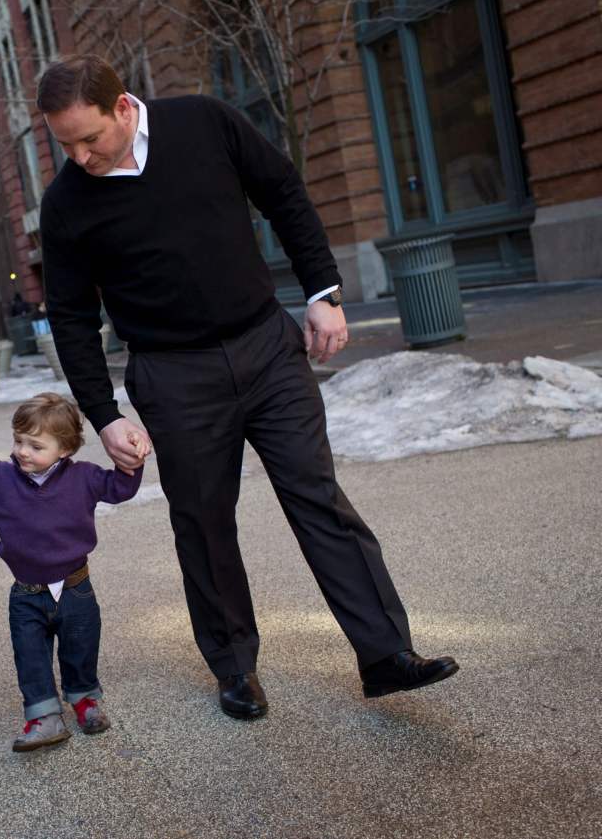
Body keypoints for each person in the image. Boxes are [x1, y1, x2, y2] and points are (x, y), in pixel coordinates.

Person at [37, 55, 458, 721]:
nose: (80, 156)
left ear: (122, 107)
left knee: (318, 495)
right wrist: (103, 413)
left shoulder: (203, 122)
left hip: (265, 345)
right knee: (204, 525)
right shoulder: (65, 204)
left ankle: (386, 654)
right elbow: (69, 316)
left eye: (89, 138)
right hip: (174, 376)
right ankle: (235, 667)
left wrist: (323, 291)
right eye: (65, 144)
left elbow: (283, 191)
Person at [0, 393, 145, 751]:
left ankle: (84, 699)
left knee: (81, 647)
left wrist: (131, 462)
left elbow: (120, 489)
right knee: (30, 655)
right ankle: (44, 717)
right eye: (18, 441)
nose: (23, 451)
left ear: (65, 449)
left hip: (76, 588)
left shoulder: (84, 478)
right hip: (26, 593)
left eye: (35, 445)